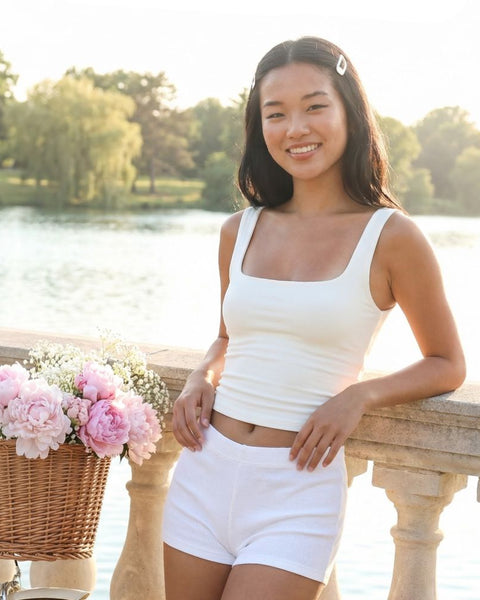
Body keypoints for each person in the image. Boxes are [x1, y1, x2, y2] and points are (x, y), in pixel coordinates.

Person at [162, 37, 466, 600]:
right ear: (260, 129)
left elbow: (447, 363)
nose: (295, 128)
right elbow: (229, 336)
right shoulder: (240, 230)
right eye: (275, 114)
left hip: (296, 489)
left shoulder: (392, 236)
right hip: (205, 469)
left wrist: (357, 397)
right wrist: (202, 374)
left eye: (314, 106)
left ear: (350, 109)